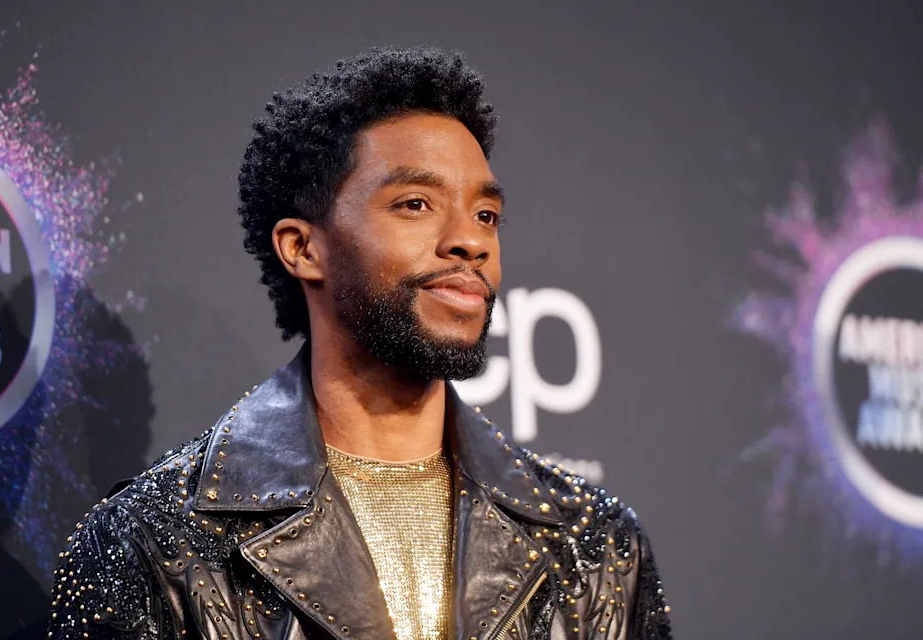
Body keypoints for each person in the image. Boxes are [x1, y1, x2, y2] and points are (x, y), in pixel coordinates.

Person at [47, 46, 672, 640]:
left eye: (485, 214)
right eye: (415, 203)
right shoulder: (157, 542)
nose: (471, 242)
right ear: (303, 248)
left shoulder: (595, 546)